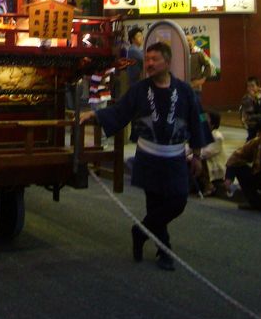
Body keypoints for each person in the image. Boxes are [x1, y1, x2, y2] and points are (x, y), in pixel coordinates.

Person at [80, 41, 205, 271]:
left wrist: (197, 154)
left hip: (175, 156)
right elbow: (121, 111)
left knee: (178, 200)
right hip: (149, 156)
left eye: (154, 60)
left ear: (167, 62)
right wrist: (95, 117)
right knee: (155, 204)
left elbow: (196, 121)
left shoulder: (184, 91)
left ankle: (140, 231)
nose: (149, 64)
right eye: (147, 60)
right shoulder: (140, 90)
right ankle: (164, 251)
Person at [224, 116, 261, 217]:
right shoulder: (256, 142)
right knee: (240, 169)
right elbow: (236, 156)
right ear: (260, 134)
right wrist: (229, 177)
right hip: (259, 175)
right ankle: (255, 202)